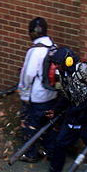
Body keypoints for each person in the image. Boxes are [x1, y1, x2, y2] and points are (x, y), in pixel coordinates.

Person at [37, 47, 87, 172]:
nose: (57, 67)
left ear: (68, 61)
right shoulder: (63, 74)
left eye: (58, 64)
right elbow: (66, 96)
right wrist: (56, 111)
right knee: (60, 145)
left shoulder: (84, 70)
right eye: (55, 64)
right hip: (74, 115)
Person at [17, 17, 59, 163]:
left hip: (37, 96)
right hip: (51, 94)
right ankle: (50, 151)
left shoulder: (35, 51)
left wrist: (23, 91)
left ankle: (31, 154)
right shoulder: (54, 47)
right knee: (48, 125)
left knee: (31, 124)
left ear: (32, 33)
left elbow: (28, 74)